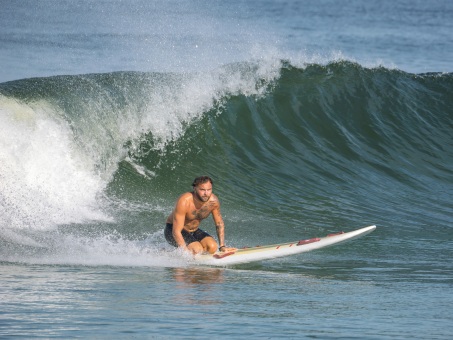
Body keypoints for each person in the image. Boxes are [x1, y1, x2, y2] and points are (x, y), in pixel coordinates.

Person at [165, 176, 236, 255]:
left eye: (209, 190)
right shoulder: (184, 201)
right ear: (194, 188)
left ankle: (194, 252)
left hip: (193, 231)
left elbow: (219, 223)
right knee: (197, 250)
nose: (206, 193)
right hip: (172, 231)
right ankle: (176, 253)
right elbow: (176, 231)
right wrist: (184, 252)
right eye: (202, 190)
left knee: (212, 247)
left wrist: (222, 246)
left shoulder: (213, 202)